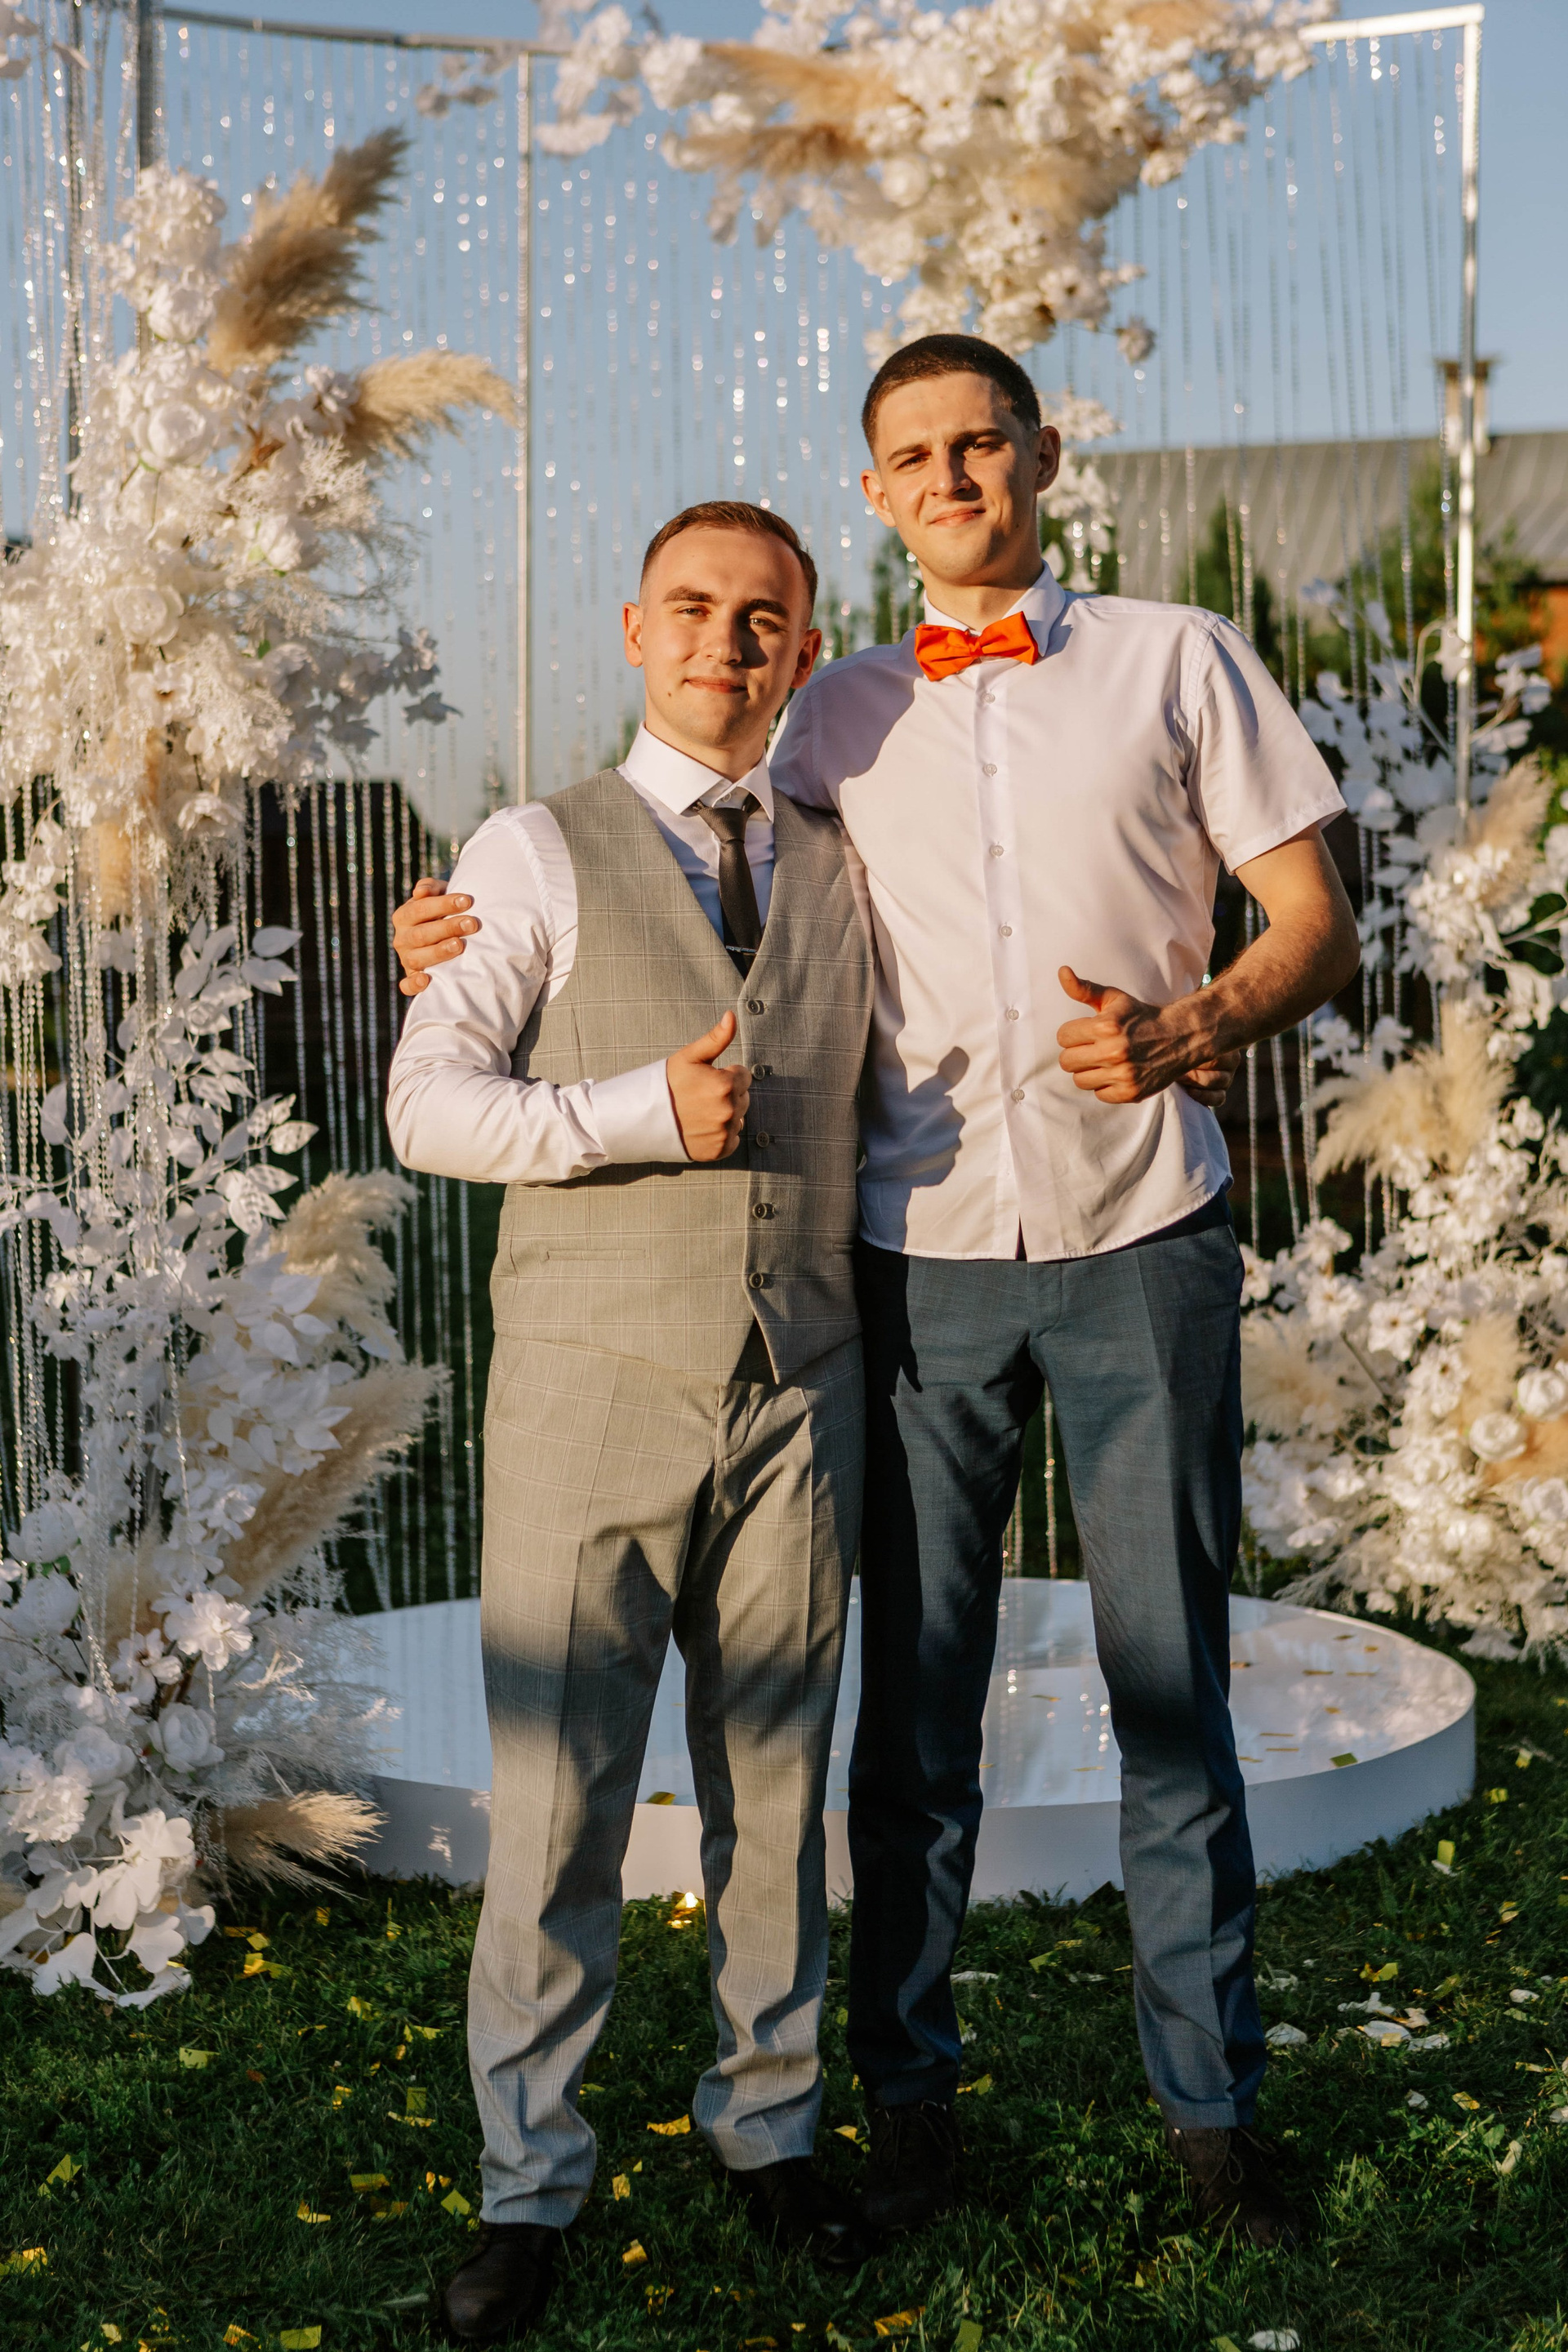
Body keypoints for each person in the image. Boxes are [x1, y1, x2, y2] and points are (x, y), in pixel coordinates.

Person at [394, 335, 1359, 2255]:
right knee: (909, 1730)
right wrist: (449, 924)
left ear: (1044, 457)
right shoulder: (828, 720)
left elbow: (1318, 919)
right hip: (915, 1278)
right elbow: (619, 884)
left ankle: (1213, 2116)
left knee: (1173, 1691)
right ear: (877, 492)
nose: (951, 477)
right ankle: (900, 2105)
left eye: (980, 443)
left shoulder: (1178, 659)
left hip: (1143, 1236)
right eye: (912, 455)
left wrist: (1197, 1027)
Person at [385, 501, 880, 2348]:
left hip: (800, 1382)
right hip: (591, 1378)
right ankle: (528, 2186)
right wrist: (629, 1116)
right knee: (559, 1793)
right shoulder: (530, 848)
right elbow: (428, 1105)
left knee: (781, 1789)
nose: (725, 645)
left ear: (803, 650)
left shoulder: (850, 855)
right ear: (631, 630)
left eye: (763, 620)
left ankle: (772, 2129)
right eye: (692, 609)